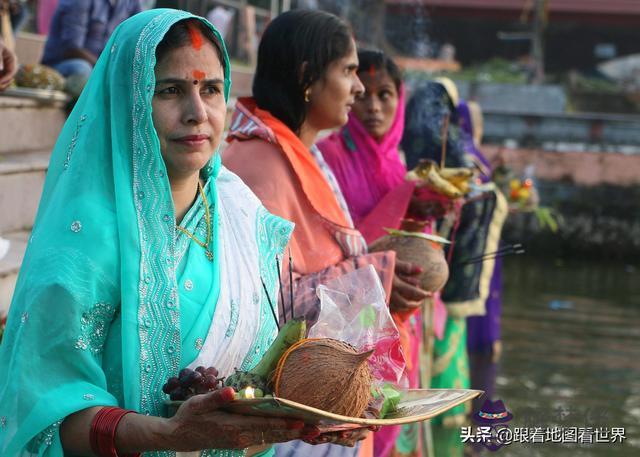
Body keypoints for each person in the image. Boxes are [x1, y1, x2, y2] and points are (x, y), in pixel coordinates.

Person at [0, 10, 326, 456]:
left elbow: (258, 382)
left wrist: (301, 414)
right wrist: (167, 437)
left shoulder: (241, 214)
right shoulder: (84, 242)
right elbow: (46, 416)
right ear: (129, 102)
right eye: (170, 90)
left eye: (210, 89)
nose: (197, 113)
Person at [223, 10, 430, 457]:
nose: (358, 88)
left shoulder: (297, 153)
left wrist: (379, 269)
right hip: (284, 411)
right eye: (349, 71)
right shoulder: (260, 166)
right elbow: (269, 308)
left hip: (315, 399)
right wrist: (377, 274)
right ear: (307, 77)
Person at [317, 50, 432, 457]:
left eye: (386, 95)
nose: (374, 106)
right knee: (356, 418)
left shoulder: (400, 167)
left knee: (391, 417)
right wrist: (405, 198)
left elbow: (412, 242)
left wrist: (426, 210)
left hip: (399, 312)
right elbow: (333, 244)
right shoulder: (328, 156)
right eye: (364, 94)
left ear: (400, 99)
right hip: (350, 316)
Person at [41, 0, 142, 80]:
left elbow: (139, 34)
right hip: (61, 65)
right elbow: (71, 49)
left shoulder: (131, 2)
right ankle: (77, 106)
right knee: (81, 68)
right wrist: (107, 68)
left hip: (103, 67)